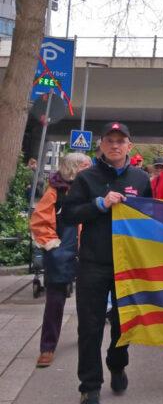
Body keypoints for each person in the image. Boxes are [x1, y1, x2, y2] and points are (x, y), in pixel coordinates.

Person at [62, 122, 152, 404]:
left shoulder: (140, 178)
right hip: (93, 263)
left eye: (120, 140)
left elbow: (150, 216)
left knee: (123, 324)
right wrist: (99, 204)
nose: (115, 145)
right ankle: (90, 384)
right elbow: (68, 215)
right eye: (110, 140)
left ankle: (117, 363)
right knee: (89, 326)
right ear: (101, 145)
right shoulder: (86, 178)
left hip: (128, 264)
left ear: (129, 145)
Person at [30, 152, 91, 368]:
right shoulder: (56, 190)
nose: (90, 168)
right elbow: (39, 221)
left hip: (88, 253)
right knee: (54, 303)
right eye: (85, 165)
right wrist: (53, 246)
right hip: (61, 254)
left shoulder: (90, 188)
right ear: (74, 167)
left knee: (88, 303)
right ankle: (47, 347)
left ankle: (84, 338)